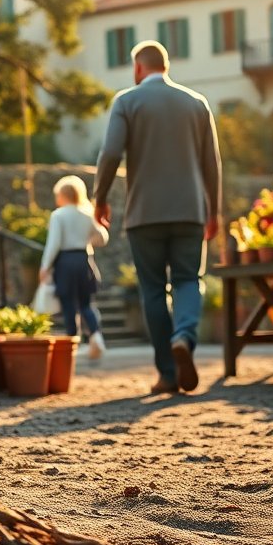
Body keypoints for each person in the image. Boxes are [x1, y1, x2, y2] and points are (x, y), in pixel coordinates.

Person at [93, 40, 221, 395]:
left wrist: (99, 199)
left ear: (138, 68)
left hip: (144, 213)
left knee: (152, 290)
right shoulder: (196, 104)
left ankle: (167, 374)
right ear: (166, 66)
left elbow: (110, 154)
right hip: (190, 211)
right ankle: (184, 336)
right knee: (187, 280)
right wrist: (216, 211)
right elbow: (212, 163)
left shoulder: (127, 101)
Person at [39, 175, 110, 359]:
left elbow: (53, 244)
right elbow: (102, 237)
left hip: (65, 262)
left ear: (62, 195)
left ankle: (73, 342)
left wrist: (45, 266)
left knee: (68, 304)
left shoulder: (58, 215)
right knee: (86, 303)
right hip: (84, 260)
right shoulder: (87, 213)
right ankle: (96, 337)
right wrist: (88, 240)